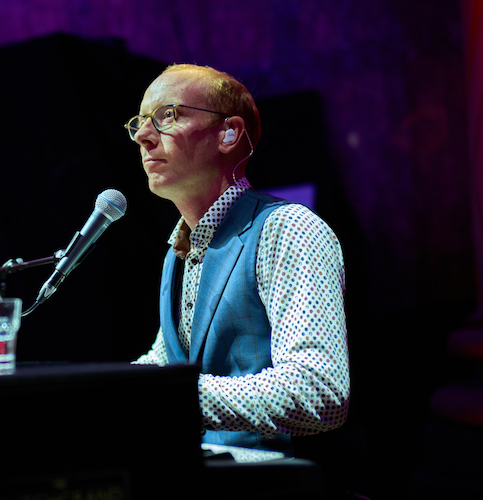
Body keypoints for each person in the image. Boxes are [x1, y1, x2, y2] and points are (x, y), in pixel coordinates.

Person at [127, 63, 350, 454]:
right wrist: (91, 394)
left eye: (167, 115)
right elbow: (164, 363)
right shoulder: (179, 251)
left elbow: (320, 390)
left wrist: (172, 397)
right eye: (141, 121)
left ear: (228, 134)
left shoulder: (288, 229)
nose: (144, 136)